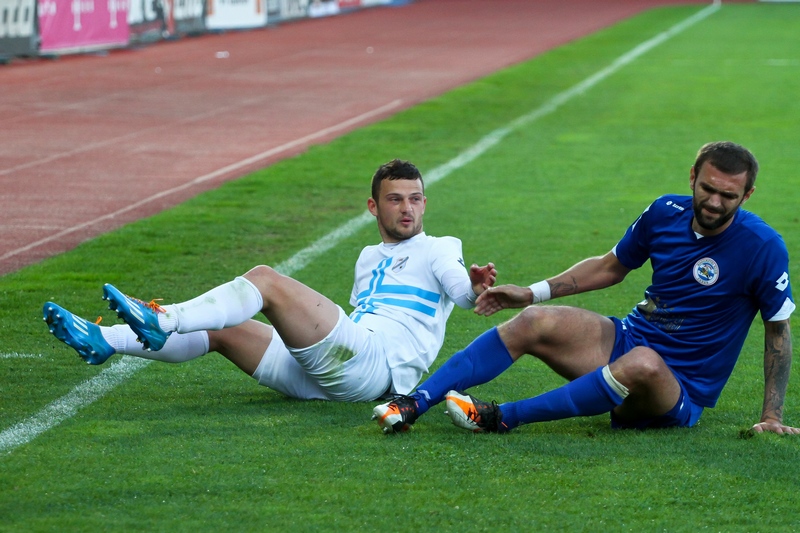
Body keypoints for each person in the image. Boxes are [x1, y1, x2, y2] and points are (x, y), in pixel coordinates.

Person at [373, 142, 798, 435]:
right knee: (534, 321)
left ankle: (500, 417)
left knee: (644, 362)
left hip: (678, 389)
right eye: (707, 189)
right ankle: (413, 402)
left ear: (747, 194)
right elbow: (611, 266)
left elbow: (778, 331)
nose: (715, 202)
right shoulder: (665, 211)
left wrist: (772, 416)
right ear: (692, 177)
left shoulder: (762, 247)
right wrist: (532, 293)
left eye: (728, 196)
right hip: (629, 339)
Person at [43, 159, 497, 402]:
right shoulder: (367, 257)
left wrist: (474, 286)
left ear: (425, 203)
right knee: (220, 329)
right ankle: (105, 339)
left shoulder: (441, 248)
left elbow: (459, 291)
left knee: (266, 281)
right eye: (395, 199)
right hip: (326, 374)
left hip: (375, 370)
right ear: (373, 207)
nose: (407, 208)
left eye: (415, 199)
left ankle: (163, 320)